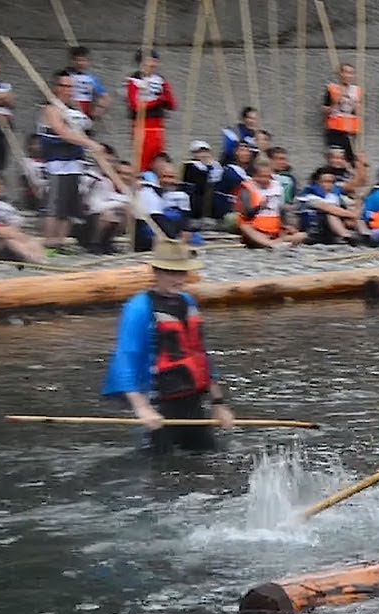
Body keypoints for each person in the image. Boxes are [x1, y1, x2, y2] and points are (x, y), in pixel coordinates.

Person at [102, 239, 235, 454]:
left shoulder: (188, 302)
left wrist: (218, 404)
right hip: (157, 403)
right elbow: (125, 358)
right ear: (156, 272)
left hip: (191, 401)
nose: (179, 279)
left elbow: (201, 354)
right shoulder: (138, 308)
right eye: (171, 273)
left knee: (207, 459)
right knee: (160, 470)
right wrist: (142, 408)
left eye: (182, 273)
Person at [39, 70, 103, 248]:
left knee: (68, 208)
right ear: (56, 87)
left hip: (74, 162)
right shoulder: (51, 109)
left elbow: (85, 126)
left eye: (70, 86)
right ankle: (49, 243)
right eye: (64, 86)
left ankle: (60, 242)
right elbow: (63, 133)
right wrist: (90, 143)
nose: (67, 90)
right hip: (57, 162)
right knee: (55, 207)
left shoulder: (74, 110)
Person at [236, 158, 306, 248]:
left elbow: (280, 210)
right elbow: (246, 215)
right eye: (261, 176)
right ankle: (270, 243)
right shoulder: (247, 188)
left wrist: (286, 225)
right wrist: (259, 206)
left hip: (275, 227)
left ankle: (277, 241)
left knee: (302, 235)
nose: (265, 180)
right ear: (254, 176)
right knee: (245, 227)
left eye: (268, 177)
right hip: (254, 226)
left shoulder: (278, 187)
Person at [125, 49, 176, 172]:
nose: (153, 64)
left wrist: (165, 95)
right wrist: (158, 101)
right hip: (142, 126)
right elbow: (135, 106)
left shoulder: (160, 80)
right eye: (150, 61)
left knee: (159, 161)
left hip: (158, 126)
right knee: (143, 162)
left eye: (155, 61)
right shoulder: (133, 81)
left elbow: (172, 104)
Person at [296, 166, 358, 244]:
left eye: (331, 182)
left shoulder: (333, 195)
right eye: (325, 181)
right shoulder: (309, 195)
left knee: (351, 212)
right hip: (312, 228)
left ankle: (365, 234)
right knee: (331, 214)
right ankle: (346, 236)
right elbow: (329, 208)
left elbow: (351, 204)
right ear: (317, 182)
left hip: (329, 228)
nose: (329, 185)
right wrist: (353, 215)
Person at [322, 63, 361, 161]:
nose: (348, 75)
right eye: (345, 72)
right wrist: (335, 103)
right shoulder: (332, 88)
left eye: (351, 73)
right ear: (340, 74)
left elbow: (358, 112)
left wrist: (356, 106)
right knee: (337, 158)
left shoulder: (356, 90)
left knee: (351, 159)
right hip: (336, 129)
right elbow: (324, 109)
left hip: (350, 129)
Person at [181, 140, 222, 220]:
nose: (204, 155)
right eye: (200, 152)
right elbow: (201, 180)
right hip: (195, 198)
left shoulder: (215, 165)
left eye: (205, 152)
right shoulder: (190, 166)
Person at [66, 46, 109, 121]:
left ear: (88, 62)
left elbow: (105, 96)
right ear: (72, 61)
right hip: (68, 114)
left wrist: (99, 108)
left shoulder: (91, 79)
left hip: (84, 117)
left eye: (83, 60)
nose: (80, 63)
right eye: (77, 60)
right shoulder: (65, 76)